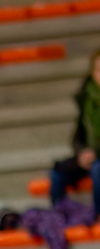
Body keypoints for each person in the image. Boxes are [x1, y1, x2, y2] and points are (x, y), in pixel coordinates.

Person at [47, 50, 100, 220]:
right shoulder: (87, 99)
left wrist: (95, 153)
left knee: (98, 170)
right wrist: (81, 153)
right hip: (89, 156)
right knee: (57, 172)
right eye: (98, 70)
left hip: (97, 159)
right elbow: (78, 135)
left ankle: (97, 217)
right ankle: (59, 218)